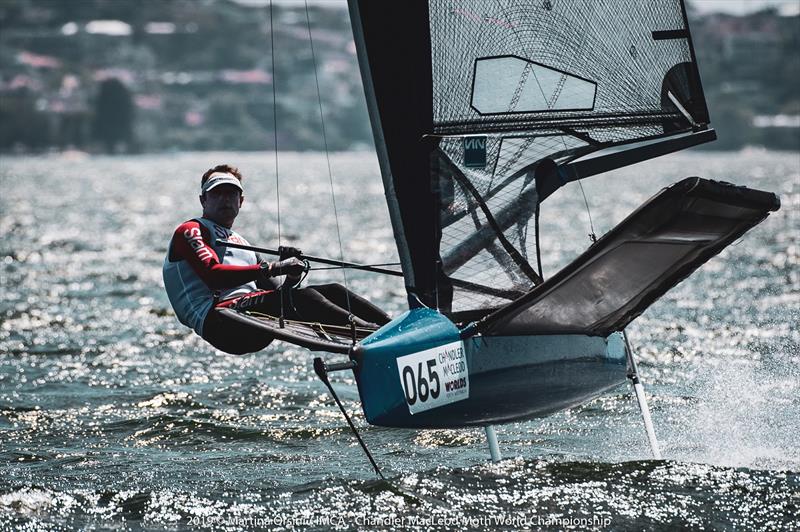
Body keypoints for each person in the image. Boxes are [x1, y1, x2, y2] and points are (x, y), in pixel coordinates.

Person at [162, 164, 390, 354]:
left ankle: (393, 329)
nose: (225, 199)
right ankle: (377, 338)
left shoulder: (242, 242)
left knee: (333, 290)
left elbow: (282, 295)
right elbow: (214, 276)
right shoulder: (191, 230)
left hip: (254, 320)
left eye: (231, 193)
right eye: (217, 193)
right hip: (220, 321)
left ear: (241, 201)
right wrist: (273, 267)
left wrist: (291, 275)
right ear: (203, 200)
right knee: (306, 298)